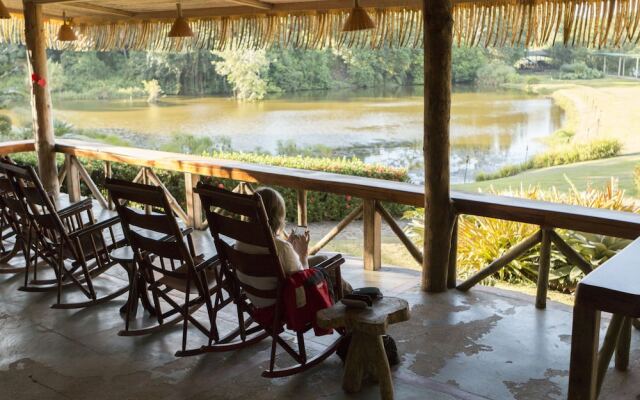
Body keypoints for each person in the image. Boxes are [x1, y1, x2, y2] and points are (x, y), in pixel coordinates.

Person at [234, 187, 350, 308]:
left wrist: (289, 246)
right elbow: (303, 282)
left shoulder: (240, 241)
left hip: (258, 298)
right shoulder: (281, 248)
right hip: (286, 304)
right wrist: (303, 254)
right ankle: (354, 301)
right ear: (277, 218)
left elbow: (282, 264)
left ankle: (352, 299)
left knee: (322, 259)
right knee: (331, 266)